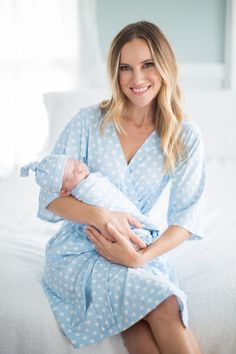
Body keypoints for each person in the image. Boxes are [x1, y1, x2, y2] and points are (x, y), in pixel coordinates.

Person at [35, 21, 206, 354]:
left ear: (165, 66)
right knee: (160, 306)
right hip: (82, 248)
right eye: (126, 68)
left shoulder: (185, 136)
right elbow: (49, 198)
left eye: (147, 65)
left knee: (156, 310)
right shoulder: (88, 122)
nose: (137, 79)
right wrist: (100, 215)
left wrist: (140, 258)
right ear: (115, 72)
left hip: (136, 249)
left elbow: (187, 218)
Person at [20, 154, 160, 250]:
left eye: (75, 163)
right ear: (65, 192)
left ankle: (141, 237)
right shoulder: (82, 191)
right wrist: (101, 216)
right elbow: (49, 199)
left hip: (133, 220)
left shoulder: (94, 179)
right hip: (108, 229)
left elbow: (114, 198)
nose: (79, 168)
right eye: (72, 174)